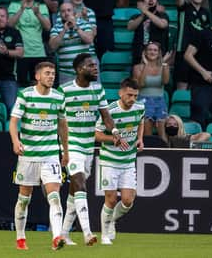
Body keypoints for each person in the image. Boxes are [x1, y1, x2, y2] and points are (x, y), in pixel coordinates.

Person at [58, 53, 122, 247]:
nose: (95, 68)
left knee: (74, 190)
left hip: (88, 147)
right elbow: (58, 119)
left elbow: (106, 117)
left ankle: (63, 234)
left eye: (96, 65)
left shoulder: (98, 90)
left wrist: (115, 130)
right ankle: (87, 232)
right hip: (71, 144)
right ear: (79, 70)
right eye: (90, 65)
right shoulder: (65, 90)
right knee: (79, 182)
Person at [9, 61, 68, 251]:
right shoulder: (25, 95)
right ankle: (20, 238)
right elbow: (13, 121)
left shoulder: (59, 97)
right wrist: (15, 141)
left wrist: (65, 150)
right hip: (28, 155)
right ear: (37, 76)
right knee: (24, 198)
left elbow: (62, 125)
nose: (51, 76)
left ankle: (57, 236)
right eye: (47, 73)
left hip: (50, 154)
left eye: (53, 73)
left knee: (54, 196)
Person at [95, 77, 144, 245]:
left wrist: (140, 139)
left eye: (135, 96)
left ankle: (111, 221)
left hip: (128, 160)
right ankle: (104, 235)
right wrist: (112, 139)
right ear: (121, 93)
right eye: (129, 95)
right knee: (110, 199)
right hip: (109, 160)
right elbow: (96, 134)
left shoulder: (139, 107)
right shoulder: (110, 111)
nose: (133, 99)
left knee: (128, 200)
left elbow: (141, 121)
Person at [8, 0, 51, 87]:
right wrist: (21, 9)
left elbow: (47, 27)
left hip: (38, 52)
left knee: (38, 85)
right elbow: (9, 25)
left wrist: (38, 14)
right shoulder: (14, 5)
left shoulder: (41, 7)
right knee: (20, 85)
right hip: (21, 52)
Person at [174, 0, 211, 90]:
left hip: (199, 55)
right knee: (182, 88)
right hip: (183, 53)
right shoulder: (184, 8)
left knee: (197, 90)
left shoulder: (206, 13)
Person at [132, 41, 172, 138]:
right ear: (145, 52)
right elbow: (140, 84)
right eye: (149, 50)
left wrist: (163, 64)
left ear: (159, 53)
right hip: (143, 100)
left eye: (155, 50)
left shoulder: (164, 66)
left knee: (163, 135)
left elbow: (165, 81)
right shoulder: (137, 67)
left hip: (160, 101)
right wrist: (146, 65)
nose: (152, 52)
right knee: (147, 135)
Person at [49, 3, 95, 84]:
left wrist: (76, 27)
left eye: (69, 10)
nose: (66, 13)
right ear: (60, 14)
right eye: (63, 11)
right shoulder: (56, 28)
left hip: (85, 72)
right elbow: (52, 46)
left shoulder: (85, 24)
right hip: (65, 73)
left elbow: (89, 40)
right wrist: (64, 30)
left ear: (74, 12)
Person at [127, 0, 169, 65]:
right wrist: (143, 15)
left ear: (157, 2)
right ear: (143, 2)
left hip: (157, 54)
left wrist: (146, 11)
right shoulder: (136, 16)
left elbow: (163, 25)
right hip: (139, 54)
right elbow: (130, 27)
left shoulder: (162, 15)